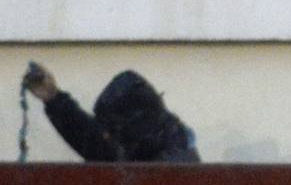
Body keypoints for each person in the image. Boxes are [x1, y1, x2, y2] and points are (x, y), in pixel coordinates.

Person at [21, 63, 200, 162]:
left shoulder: (174, 164)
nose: (107, 135)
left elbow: (103, 147)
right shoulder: (148, 141)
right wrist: (53, 98)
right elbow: (95, 140)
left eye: (113, 130)